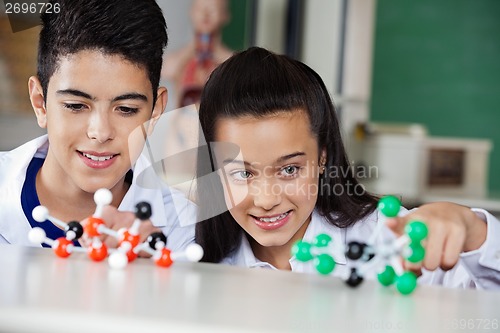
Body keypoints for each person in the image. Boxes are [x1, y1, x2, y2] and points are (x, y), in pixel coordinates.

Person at [194, 47, 499, 289]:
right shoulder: (191, 254)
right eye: (242, 173)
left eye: (289, 170)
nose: (266, 199)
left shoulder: (390, 239)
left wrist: (476, 234)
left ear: (323, 156)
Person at [0, 0, 195, 253]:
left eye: (126, 109)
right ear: (40, 103)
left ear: (155, 111)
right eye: (76, 106)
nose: (100, 133)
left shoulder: (187, 231)